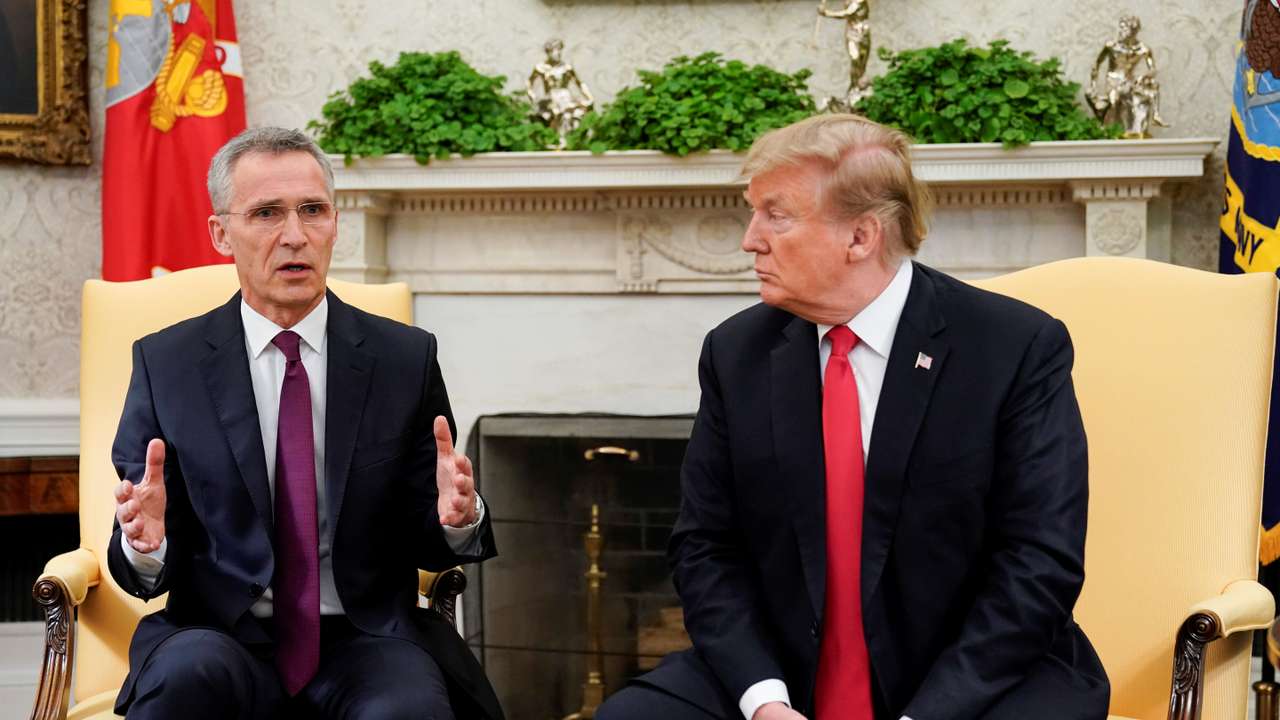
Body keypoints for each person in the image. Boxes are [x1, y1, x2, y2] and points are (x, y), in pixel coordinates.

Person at [596, 114, 1109, 720]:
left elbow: (1038, 562)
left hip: (972, 676)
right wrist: (765, 701)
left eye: (776, 215)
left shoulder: (1014, 348)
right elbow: (704, 547)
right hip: (783, 671)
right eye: (752, 211)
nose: (750, 239)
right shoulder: (736, 353)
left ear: (861, 237)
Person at [107, 127, 502, 720]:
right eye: (266, 213)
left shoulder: (403, 358)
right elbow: (142, 565)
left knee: (409, 706)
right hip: (220, 632)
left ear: (335, 224)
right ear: (221, 234)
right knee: (184, 680)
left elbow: (432, 526)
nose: (295, 236)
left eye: (311, 210)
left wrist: (457, 518)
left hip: (366, 635)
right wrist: (146, 544)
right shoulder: (167, 363)